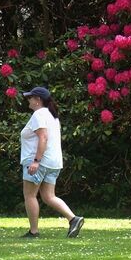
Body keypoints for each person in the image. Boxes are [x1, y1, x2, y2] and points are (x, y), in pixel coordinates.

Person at [18, 85, 85, 238]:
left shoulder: (39, 114)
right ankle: (74, 219)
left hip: (39, 162)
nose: (28, 100)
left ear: (38, 100)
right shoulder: (52, 115)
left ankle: (33, 232)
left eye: (31, 97)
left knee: (30, 195)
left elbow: (43, 138)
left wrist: (36, 161)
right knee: (49, 196)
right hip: (54, 162)